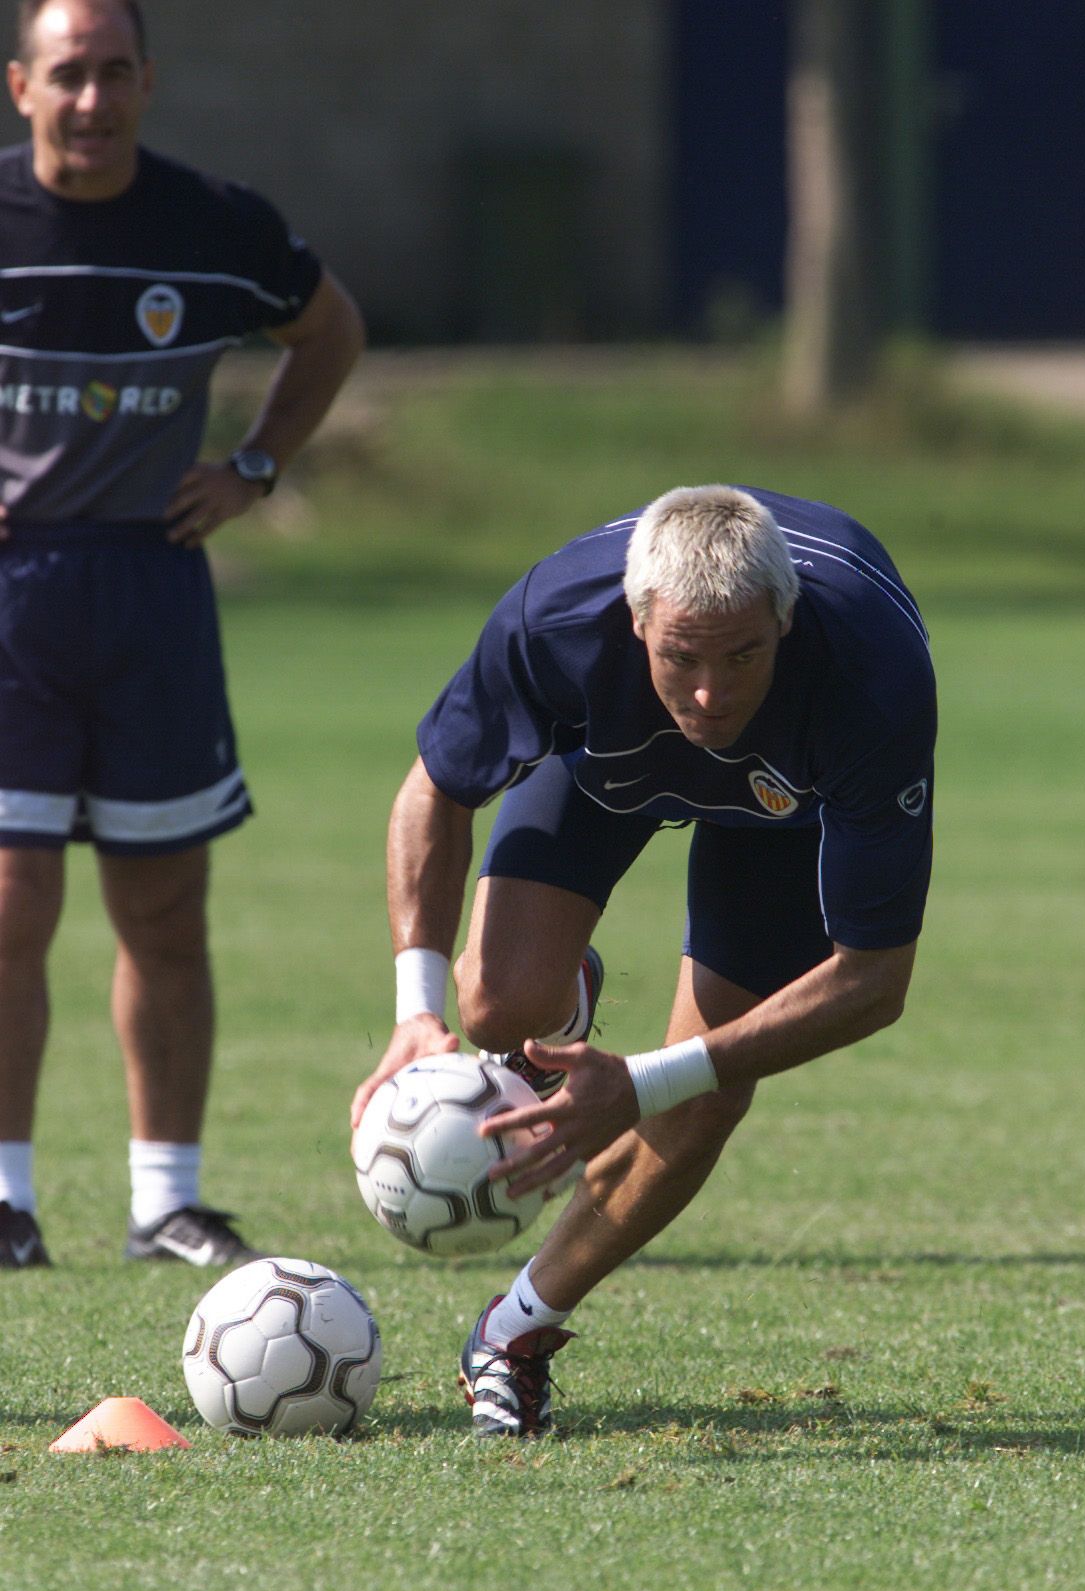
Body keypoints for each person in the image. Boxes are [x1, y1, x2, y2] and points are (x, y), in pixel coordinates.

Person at [351, 482, 936, 1437]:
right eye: (681, 656)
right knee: (494, 1002)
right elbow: (436, 789)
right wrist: (418, 1009)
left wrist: (646, 1081)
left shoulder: (873, 674)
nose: (709, 691)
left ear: (785, 622)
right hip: (601, 771)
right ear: (635, 621)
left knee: (701, 1093)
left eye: (743, 655)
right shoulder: (553, 622)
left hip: (784, 819)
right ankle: (556, 1011)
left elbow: (874, 981)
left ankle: (516, 1332)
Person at [0, 0, 365, 1269]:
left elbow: (331, 328)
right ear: (20, 87)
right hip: (11, 598)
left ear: (147, 82)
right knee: (8, 902)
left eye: (113, 74)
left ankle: (168, 1203)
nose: (90, 100)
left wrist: (256, 465)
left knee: (163, 907)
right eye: (65, 75)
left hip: (150, 588)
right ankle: (7, 1200)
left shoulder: (216, 224)